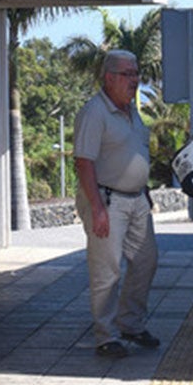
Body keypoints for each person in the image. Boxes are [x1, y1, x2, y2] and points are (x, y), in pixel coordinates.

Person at [73, 50, 160, 358]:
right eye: (127, 74)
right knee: (106, 271)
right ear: (109, 78)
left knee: (146, 261)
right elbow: (84, 163)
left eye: (136, 73)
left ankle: (131, 325)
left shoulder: (131, 110)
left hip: (137, 200)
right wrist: (97, 208)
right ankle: (105, 335)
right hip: (108, 200)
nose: (134, 80)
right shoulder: (95, 112)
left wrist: (144, 188)